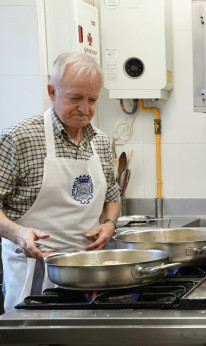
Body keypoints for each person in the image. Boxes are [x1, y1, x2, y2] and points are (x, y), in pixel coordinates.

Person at [0, 52, 120, 312]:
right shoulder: (19, 139)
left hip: (87, 272)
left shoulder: (99, 141)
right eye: (75, 98)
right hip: (34, 271)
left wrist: (109, 223)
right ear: (52, 92)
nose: (85, 109)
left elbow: (112, 197)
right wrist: (18, 233)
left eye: (92, 100)